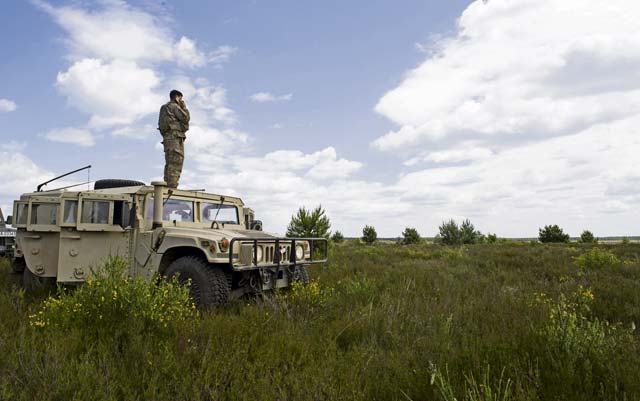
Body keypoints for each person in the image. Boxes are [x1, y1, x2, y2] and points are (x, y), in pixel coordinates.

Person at [158, 89, 190, 188]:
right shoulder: (174, 106)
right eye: (180, 98)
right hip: (175, 137)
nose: (181, 101)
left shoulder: (164, 108)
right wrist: (184, 107)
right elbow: (185, 118)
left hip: (168, 138)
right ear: (177, 97)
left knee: (170, 163)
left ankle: (168, 185)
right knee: (176, 162)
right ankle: (171, 187)